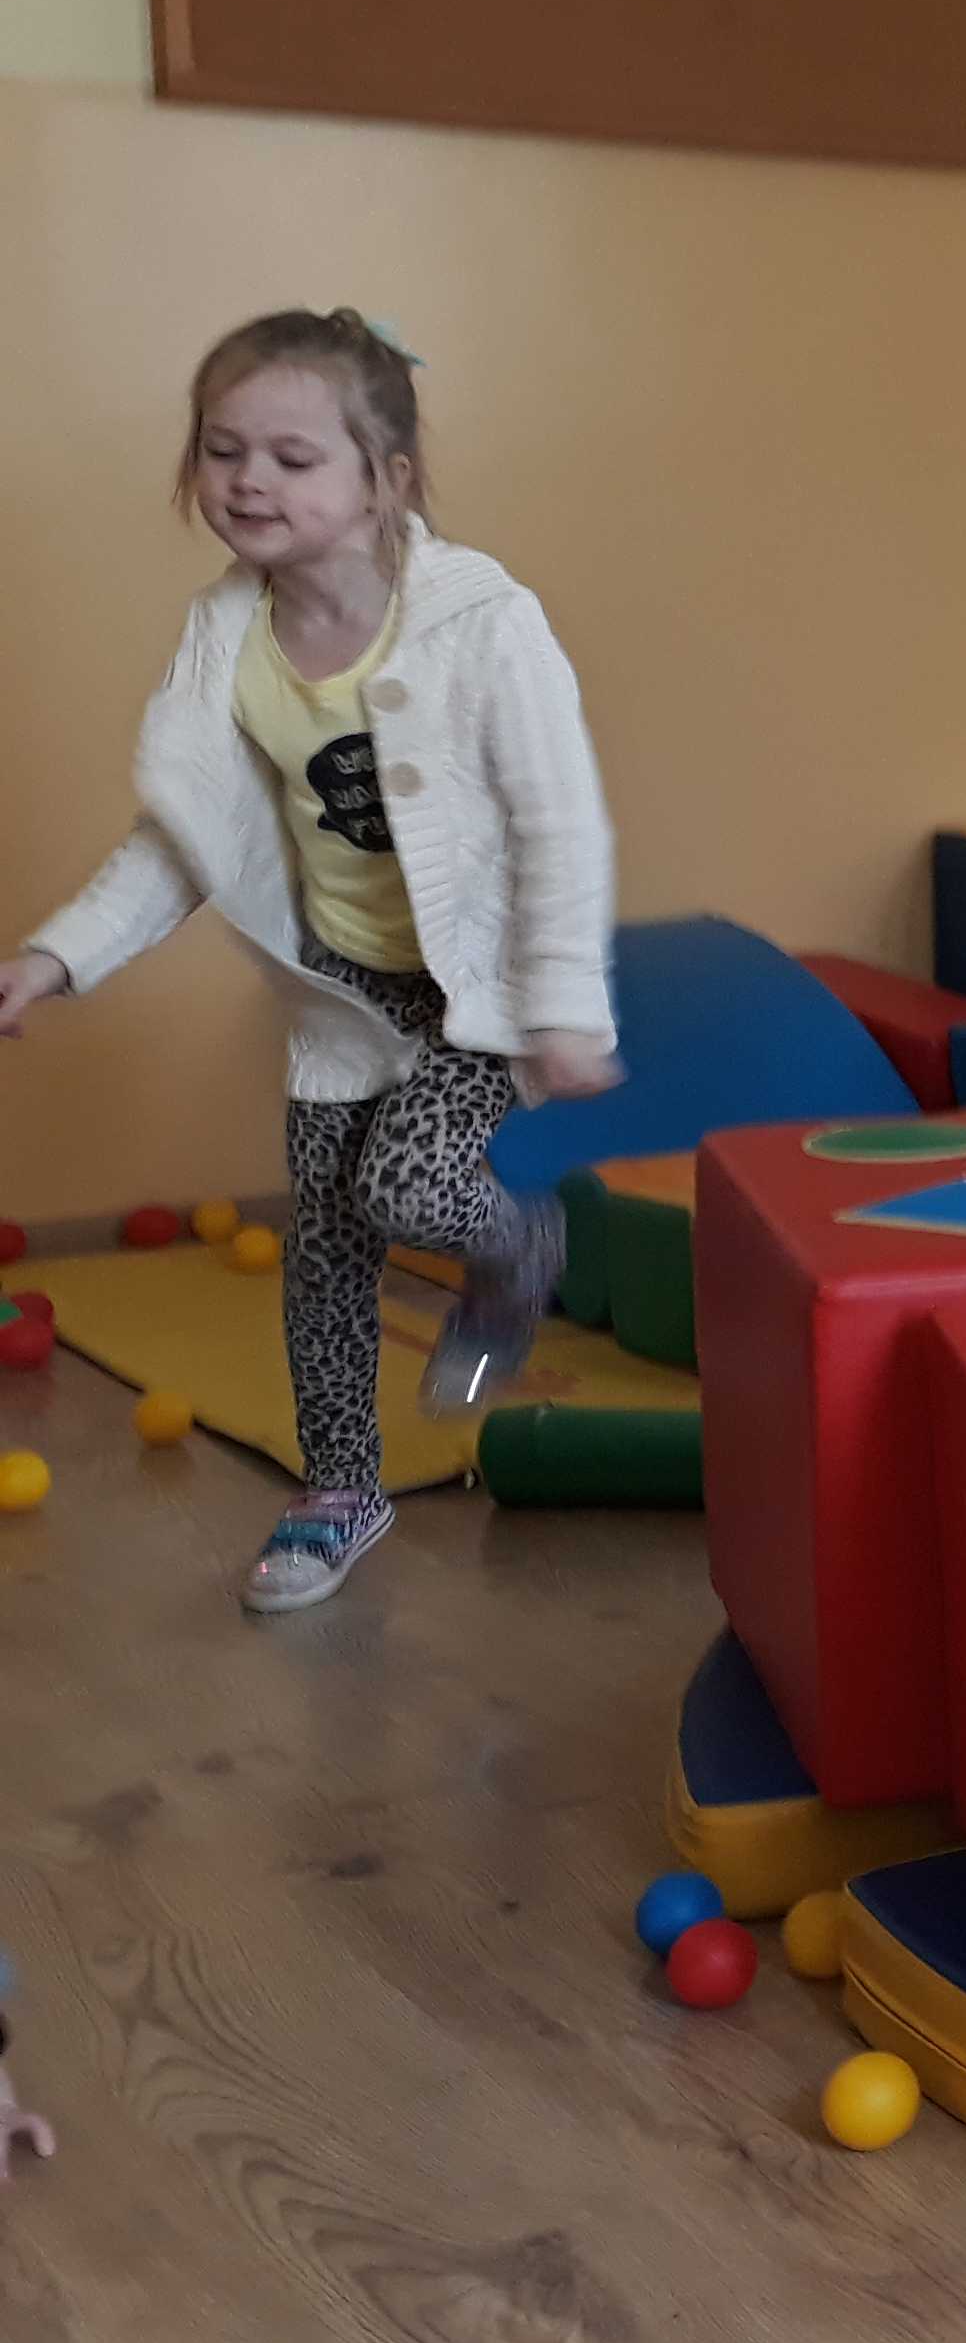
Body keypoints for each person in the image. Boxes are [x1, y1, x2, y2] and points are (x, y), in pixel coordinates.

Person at [0, 310, 619, 1614]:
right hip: (344, 991)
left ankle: (520, 1250)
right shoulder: (225, 637)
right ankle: (340, 1490)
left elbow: (559, 824)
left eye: (292, 457)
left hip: (473, 988)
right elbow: (186, 841)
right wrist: (57, 956)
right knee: (325, 1248)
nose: (248, 482)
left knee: (410, 1184)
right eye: (222, 450)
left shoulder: (482, 622)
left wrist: (564, 1006)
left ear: (387, 478)